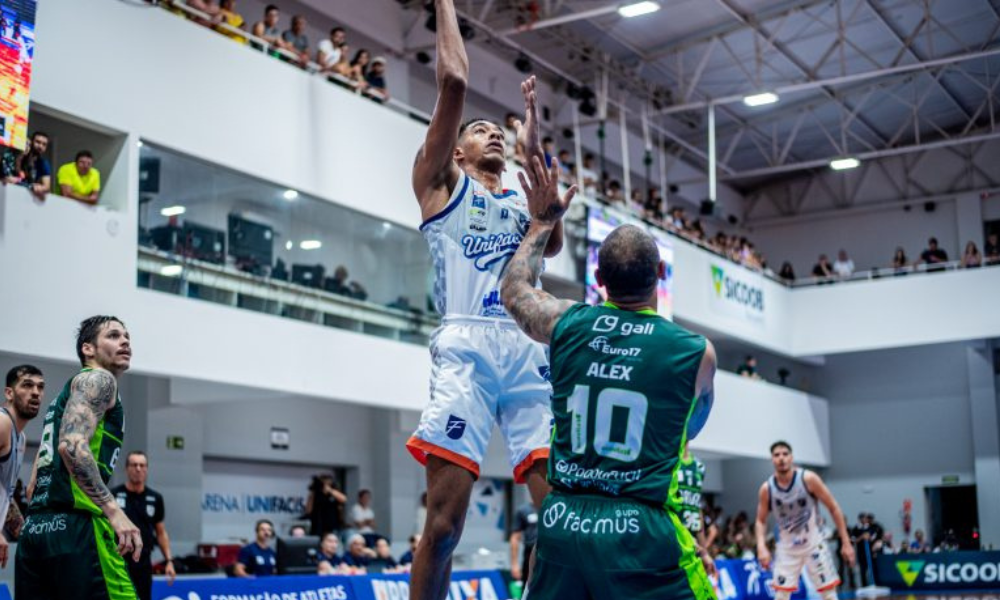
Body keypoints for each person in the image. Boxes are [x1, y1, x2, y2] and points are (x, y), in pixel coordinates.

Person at [499, 156, 717, 599]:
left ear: (598, 279)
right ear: (660, 274)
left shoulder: (566, 322)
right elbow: (688, 429)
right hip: (640, 528)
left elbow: (514, 291)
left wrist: (542, 223)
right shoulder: (697, 353)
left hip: (562, 525)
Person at [405, 2, 564, 598]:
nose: (491, 129)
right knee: (444, 528)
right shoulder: (441, 184)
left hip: (528, 349)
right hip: (467, 347)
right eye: (478, 128)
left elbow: (552, 238)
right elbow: (454, 80)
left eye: (498, 126)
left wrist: (535, 149)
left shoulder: (524, 199)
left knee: (561, 521)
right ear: (458, 152)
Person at [16, 316, 142, 599]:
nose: (125, 341)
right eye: (113, 335)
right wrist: (113, 510)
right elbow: (72, 446)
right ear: (88, 349)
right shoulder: (99, 379)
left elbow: (33, 483)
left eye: (127, 336)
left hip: (36, 529)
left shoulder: (65, 398)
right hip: (78, 529)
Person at [755, 441, 855, 600]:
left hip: (813, 544)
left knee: (829, 594)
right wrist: (761, 546)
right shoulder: (767, 488)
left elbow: (834, 507)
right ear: (772, 460)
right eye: (777, 455)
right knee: (780, 595)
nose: (781, 458)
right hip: (787, 548)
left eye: (785, 454)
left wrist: (846, 542)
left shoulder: (808, 479)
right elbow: (760, 520)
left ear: (791, 457)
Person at [110, 451, 176, 600]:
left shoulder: (155, 498)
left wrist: (169, 561)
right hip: (118, 561)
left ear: (146, 469)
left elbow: (161, 533)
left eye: (142, 465)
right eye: (134, 465)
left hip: (143, 563)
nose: (138, 469)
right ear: (127, 468)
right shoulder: (113, 496)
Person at [0, 365, 44, 568]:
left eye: (40, 387)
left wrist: (27, 536)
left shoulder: (21, 438)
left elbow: (6, 495)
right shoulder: (2, 423)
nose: (35, 392)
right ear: (9, 393)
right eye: (27, 385)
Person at [676, 443, 718, 576]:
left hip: (694, 543)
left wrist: (705, 552)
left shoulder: (699, 466)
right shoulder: (669, 462)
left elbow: (696, 509)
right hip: (674, 539)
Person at [2, 131, 52, 200]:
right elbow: (7, 178)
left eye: (44, 144)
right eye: (38, 142)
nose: (40, 146)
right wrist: (31, 186)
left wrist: (36, 187)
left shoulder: (33, 162)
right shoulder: (8, 156)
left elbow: (43, 186)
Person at [306, 473, 346, 537]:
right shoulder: (315, 494)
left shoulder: (334, 491)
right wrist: (312, 494)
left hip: (332, 525)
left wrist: (330, 490)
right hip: (317, 525)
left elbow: (344, 499)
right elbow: (308, 511)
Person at [509, 502, 538, 585]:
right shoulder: (523, 510)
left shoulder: (553, 508)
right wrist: (514, 564)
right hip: (530, 551)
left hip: (549, 552)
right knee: (528, 584)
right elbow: (515, 537)